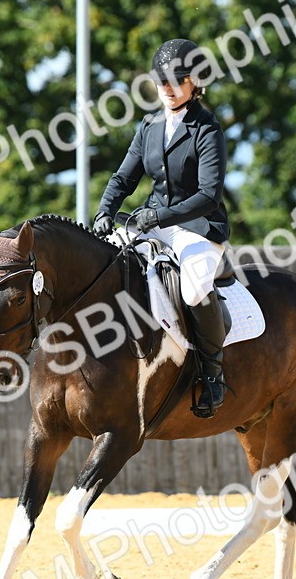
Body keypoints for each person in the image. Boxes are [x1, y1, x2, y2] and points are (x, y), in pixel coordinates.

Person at [92, 38, 230, 419]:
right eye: (161, 81)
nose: (167, 88)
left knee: (194, 287)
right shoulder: (150, 125)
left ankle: (213, 373)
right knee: (108, 262)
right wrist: (104, 211)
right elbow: (123, 178)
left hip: (197, 228)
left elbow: (209, 195)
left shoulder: (207, 130)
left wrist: (158, 218)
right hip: (152, 222)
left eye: (177, 80)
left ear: (195, 82)